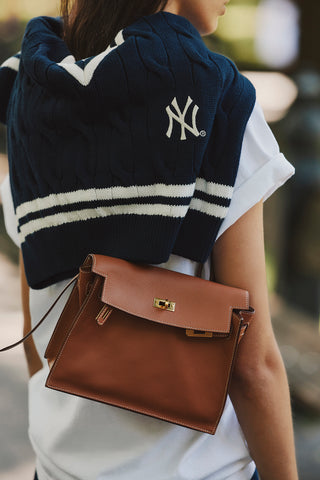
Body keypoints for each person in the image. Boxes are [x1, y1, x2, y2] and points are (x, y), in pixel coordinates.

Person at [0, 0, 299, 479]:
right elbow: (252, 365)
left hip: (60, 466)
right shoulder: (221, 102)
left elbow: (38, 333)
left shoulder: (31, 96)